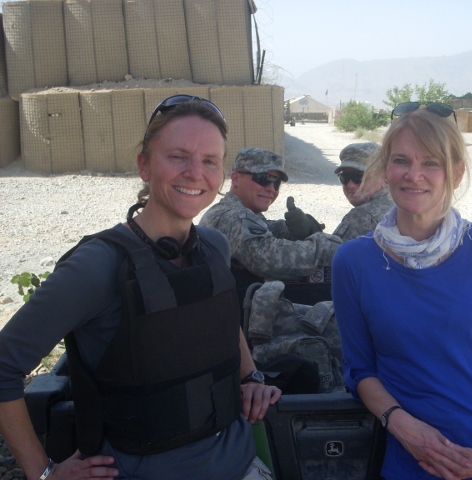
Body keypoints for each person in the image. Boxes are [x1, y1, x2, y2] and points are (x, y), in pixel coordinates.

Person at [0, 95, 280, 479]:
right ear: (144, 166)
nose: (195, 173)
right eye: (177, 156)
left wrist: (251, 378)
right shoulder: (100, 265)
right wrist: (43, 472)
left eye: (210, 160)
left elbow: (221, 318)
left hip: (241, 463)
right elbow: (4, 364)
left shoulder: (214, 246)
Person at [332, 103, 472, 479]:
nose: (414, 175)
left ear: (456, 172)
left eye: (431, 162)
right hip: (415, 465)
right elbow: (360, 369)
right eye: (401, 160)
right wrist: (402, 425)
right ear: (385, 170)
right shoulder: (353, 261)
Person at [199, 148, 342, 296]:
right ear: (235, 179)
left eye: (276, 183)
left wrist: (297, 228)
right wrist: (326, 246)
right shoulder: (232, 216)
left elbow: (264, 228)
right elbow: (268, 258)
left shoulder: (237, 211)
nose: (271, 189)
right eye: (263, 179)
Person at [332, 142, 395, 241]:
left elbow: (333, 254)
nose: (350, 185)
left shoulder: (359, 218)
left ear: (385, 176)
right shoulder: (400, 203)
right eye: (344, 177)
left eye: (359, 176)